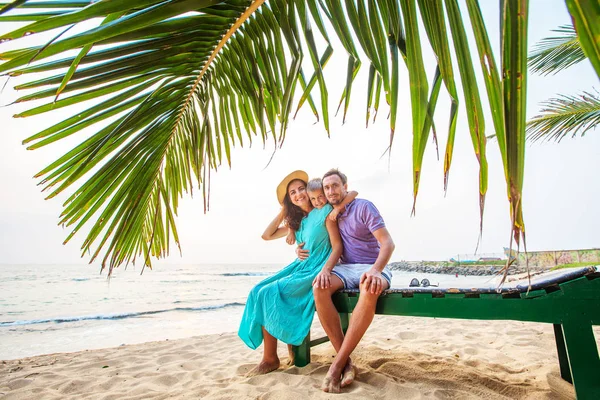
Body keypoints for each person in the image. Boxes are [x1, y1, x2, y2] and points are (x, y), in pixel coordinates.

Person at [238, 171, 343, 376]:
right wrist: (284, 211)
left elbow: (334, 241)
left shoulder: (324, 210)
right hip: (300, 265)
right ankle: (276, 353)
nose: (298, 194)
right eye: (292, 193)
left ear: (310, 189)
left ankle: (270, 358)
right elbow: (266, 235)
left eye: (300, 188)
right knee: (257, 290)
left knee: (268, 292)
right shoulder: (297, 222)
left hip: (317, 266)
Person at [300, 168, 395, 393]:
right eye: (327, 187)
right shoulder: (329, 214)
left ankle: (336, 366)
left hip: (373, 266)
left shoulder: (363, 207)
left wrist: (376, 270)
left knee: (369, 285)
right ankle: (347, 362)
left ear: (344, 186)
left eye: (335, 185)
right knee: (319, 286)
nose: (331, 190)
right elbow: (317, 240)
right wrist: (302, 250)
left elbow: (388, 243)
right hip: (346, 269)